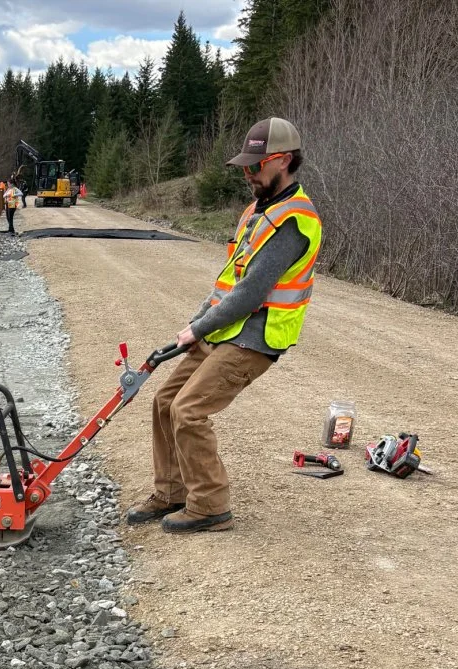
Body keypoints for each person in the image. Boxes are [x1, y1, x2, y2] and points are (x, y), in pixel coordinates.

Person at [126, 117, 322, 534]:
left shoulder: (293, 221)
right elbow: (229, 281)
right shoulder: (256, 212)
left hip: (256, 337)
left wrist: (198, 330)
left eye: (256, 166)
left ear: (283, 160)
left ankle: (210, 506)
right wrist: (196, 323)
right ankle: (172, 492)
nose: (248, 174)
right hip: (225, 329)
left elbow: (250, 293)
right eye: (245, 166)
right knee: (164, 401)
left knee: (188, 410)